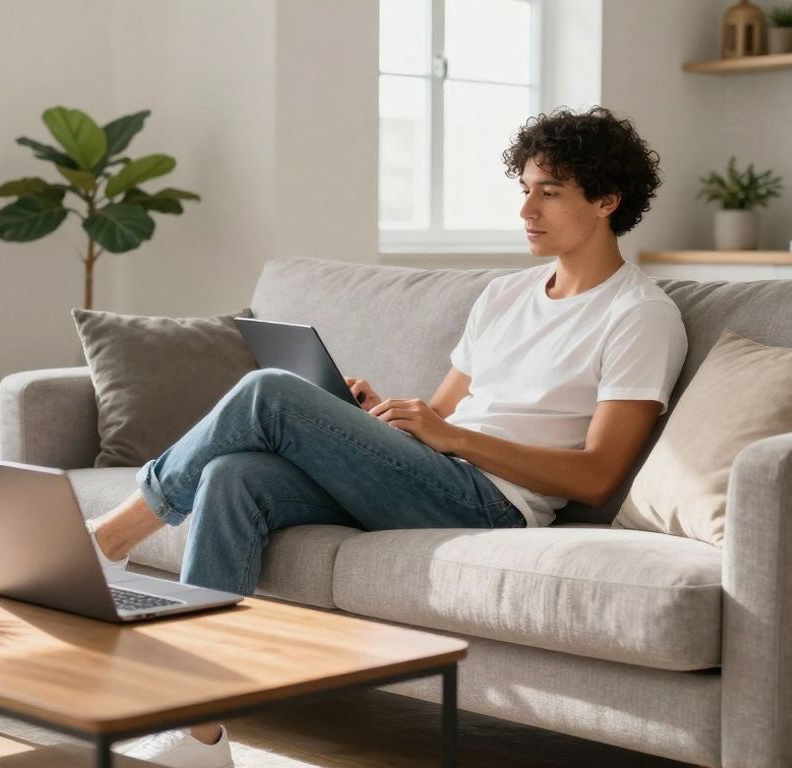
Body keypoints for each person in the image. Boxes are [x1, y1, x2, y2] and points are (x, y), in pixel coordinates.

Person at [93, 106, 688, 768]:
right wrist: (375, 416)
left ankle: (109, 541)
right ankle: (197, 732)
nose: (527, 209)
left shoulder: (639, 316)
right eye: (524, 188)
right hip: (433, 473)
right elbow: (440, 413)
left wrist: (447, 438)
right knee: (230, 477)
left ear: (608, 200)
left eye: (550, 192)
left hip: (493, 503)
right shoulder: (505, 295)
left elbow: (597, 474)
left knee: (268, 394)